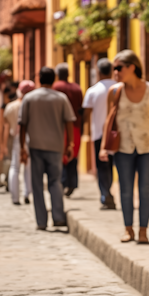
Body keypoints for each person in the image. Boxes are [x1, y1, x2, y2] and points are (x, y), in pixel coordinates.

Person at [99, 50, 149, 243]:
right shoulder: (115, 91)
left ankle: (143, 230)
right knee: (125, 189)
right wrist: (104, 147)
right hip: (123, 149)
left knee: (145, 189)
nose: (115, 72)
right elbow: (108, 121)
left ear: (132, 67)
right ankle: (129, 229)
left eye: (118, 68)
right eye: (114, 68)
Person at [19, 67, 76, 230]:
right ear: (54, 79)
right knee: (55, 182)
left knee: (37, 185)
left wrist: (23, 148)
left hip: (35, 146)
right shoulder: (61, 98)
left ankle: (41, 221)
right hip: (56, 147)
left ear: (39, 79)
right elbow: (69, 121)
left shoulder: (29, 98)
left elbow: (22, 124)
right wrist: (70, 144)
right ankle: (58, 217)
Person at [82, 57, 117, 208]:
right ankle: (113, 194)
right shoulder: (119, 87)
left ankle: (106, 194)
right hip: (117, 133)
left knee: (102, 167)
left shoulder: (93, 91)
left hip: (98, 134)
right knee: (116, 165)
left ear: (98, 72)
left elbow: (86, 113)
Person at [52, 63, 83, 197]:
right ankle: (72, 183)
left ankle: (63, 182)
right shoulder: (77, 88)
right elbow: (81, 108)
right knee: (73, 155)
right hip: (75, 126)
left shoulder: (55, 87)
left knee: (61, 155)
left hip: (60, 126)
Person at [4, 81, 34, 205]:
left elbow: (6, 127)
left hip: (16, 138)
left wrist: (4, 144)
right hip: (31, 137)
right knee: (28, 167)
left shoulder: (11, 106)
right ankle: (27, 193)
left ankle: (15, 197)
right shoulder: (33, 105)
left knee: (15, 167)